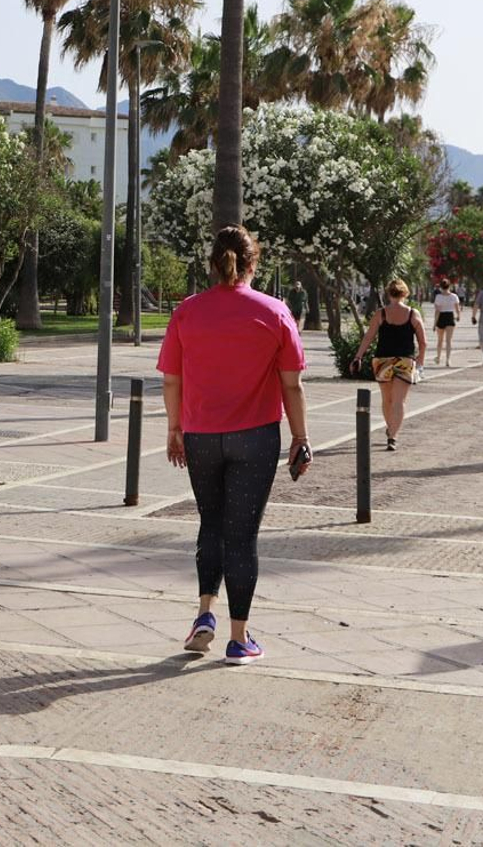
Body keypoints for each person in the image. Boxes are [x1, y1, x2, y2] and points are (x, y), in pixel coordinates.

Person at [159, 226, 309, 667]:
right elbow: (292, 386)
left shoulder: (187, 312)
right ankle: (238, 639)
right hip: (256, 436)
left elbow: (171, 378)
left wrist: (174, 428)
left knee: (211, 524)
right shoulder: (275, 312)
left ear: (212, 263)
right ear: (253, 264)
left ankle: (204, 614)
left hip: (201, 435)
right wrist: (300, 438)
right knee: (242, 536)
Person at [349, 279, 428, 451]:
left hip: (382, 360)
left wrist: (358, 356)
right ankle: (393, 435)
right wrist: (420, 361)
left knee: (387, 400)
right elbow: (423, 342)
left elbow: (368, 337)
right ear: (405, 293)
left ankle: (390, 427)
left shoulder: (381, 314)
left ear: (388, 294)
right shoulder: (413, 314)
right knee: (399, 401)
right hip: (405, 361)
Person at [431, 279, 460, 366]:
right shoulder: (454, 296)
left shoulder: (438, 297)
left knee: (440, 340)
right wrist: (458, 316)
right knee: (448, 341)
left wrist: (434, 323)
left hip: (441, 317)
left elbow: (437, 311)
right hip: (450, 316)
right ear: (449, 286)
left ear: (440, 287)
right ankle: (448, 359)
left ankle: (438, 358)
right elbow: (457, 309)